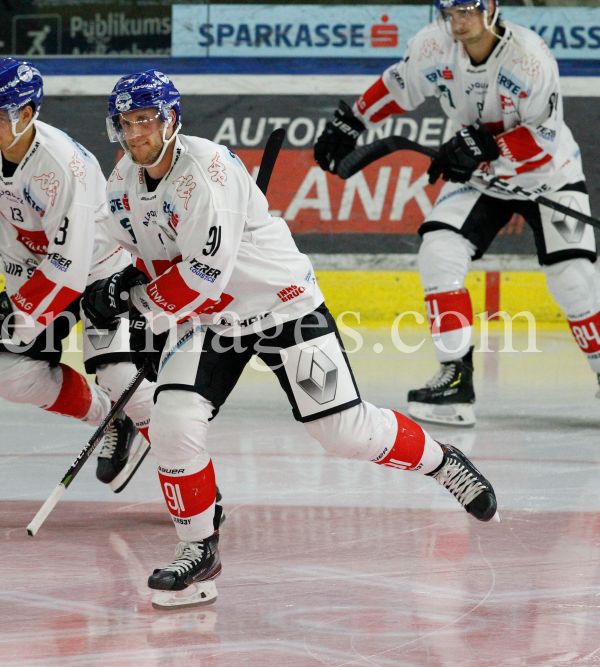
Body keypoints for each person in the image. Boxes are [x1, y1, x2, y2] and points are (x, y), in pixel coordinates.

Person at [82, 70, 500, 611]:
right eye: (125, 123)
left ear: (172, 120)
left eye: (146, 120)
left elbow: (202, 276)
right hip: (210, 323)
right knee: (172, 421)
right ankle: (198, 551)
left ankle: (443, 462)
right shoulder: (123, 183)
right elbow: (110, 246)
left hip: (281, 308)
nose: (135, 133)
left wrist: (136, 303)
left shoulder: (205, 173)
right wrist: (102, 286)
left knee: (343, 432)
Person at [314, 0, 600, 429]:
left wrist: (484, 145)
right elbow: (398, 84)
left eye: (467, 11)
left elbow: (542, 138)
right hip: (480, 177)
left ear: (491, 9)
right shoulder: (434, 46)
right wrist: (353, 119)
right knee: (439, 251)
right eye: (451, 13)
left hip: (549, 176)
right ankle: (455, 379)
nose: (458, 22)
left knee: (573, 279)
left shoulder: (530, 59)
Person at [0, 58, 153, 491]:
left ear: (27, 113)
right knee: (13, 376)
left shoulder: (62, 167)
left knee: (121, 376)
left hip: (99, 272)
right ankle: (111, 420)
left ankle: (183, 466)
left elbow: (67, 269)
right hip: (31, 275)